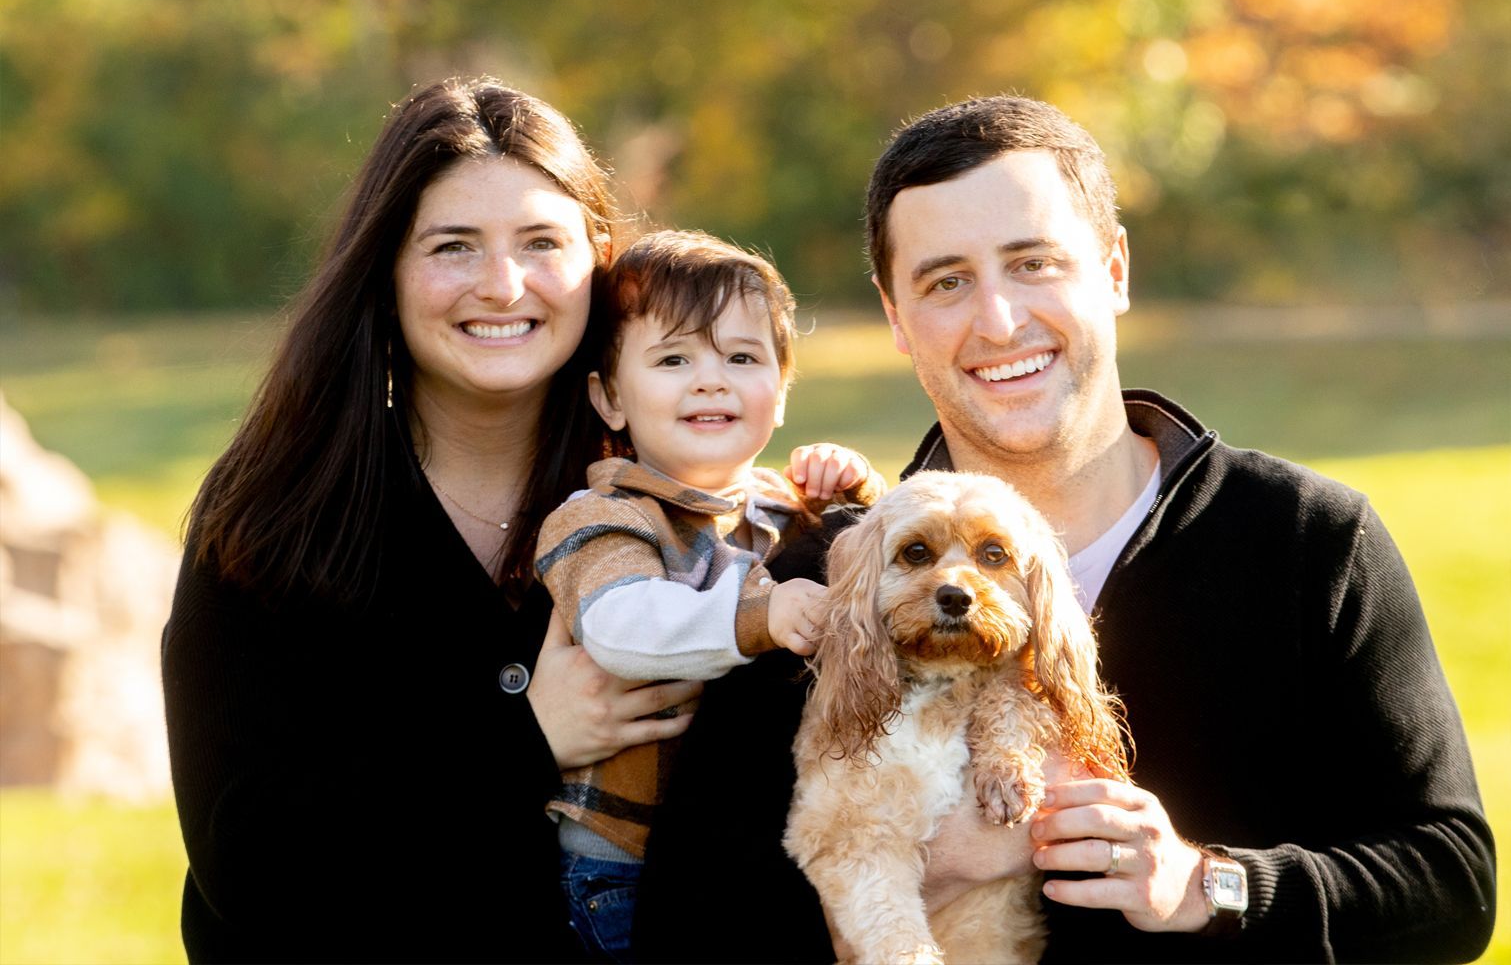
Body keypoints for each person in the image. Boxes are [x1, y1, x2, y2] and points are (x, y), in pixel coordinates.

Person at [635, 95, 1496, 963]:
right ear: (895, 316)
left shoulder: (1306, 538)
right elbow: (684, 924)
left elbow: (1451, 883)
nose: (998, 321)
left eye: (1033, 263)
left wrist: (1207, 885)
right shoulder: (812, 584)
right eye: (945, 282)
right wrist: (920, 879)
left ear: (1113, 269)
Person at [161, 77, 703, 962]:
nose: (502, 286)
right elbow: (248, 863)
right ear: (386, 269)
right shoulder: (276, 512)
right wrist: (523, 739)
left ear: (598, 261)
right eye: (454, 246)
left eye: (541, 243)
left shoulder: (669, 501)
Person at [534, 229, 885, 962]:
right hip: (622, 869)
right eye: (673, 359)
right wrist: (759, 617)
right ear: (610, 399)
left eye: (742, 358)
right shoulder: (603, 517)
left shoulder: (785, 506)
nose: (710, 380)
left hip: (738, 848)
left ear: (780, 393)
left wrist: (857, 497)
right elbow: (622, 626)